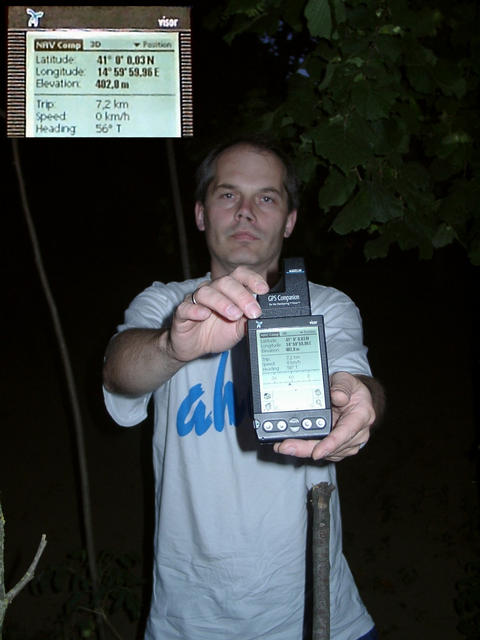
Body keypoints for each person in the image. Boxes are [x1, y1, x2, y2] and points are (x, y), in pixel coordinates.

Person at [102, 137, 384, 640]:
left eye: (267, 198)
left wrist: (359, 400)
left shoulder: (326, 305)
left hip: (317, 617)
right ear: (201, 213)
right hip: (189, 623)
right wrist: (172, 345)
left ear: (290, 220)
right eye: (229, 195)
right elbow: (120, 371)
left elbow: (355, 376)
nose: (247, 213)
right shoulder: (165, 303)